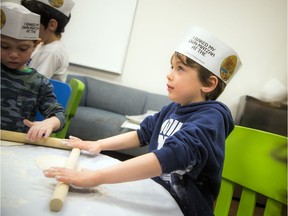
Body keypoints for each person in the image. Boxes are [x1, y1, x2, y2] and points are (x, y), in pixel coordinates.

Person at [44, 26, 241, 215]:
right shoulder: (172, 109)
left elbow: (171, 156)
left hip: (184, 209)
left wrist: (96, 177)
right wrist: (98, 144)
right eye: (171, 67)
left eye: (180, 69)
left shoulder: (212, 118)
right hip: (157, 197)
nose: (169, 74)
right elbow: (142, 134)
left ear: (208, 83)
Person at [1, 2, 66, 142]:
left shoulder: (39, 83)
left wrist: (49, 123)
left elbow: (59, 115)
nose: (13, 54)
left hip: (15, 146)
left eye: (23, 48)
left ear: (36, 45)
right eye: (4, 46)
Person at [21, 0, 75, 82]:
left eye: (33, 23)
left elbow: (34, 84)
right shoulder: (43, 45)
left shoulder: (52, 52)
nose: (29, 27)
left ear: (52, 25)